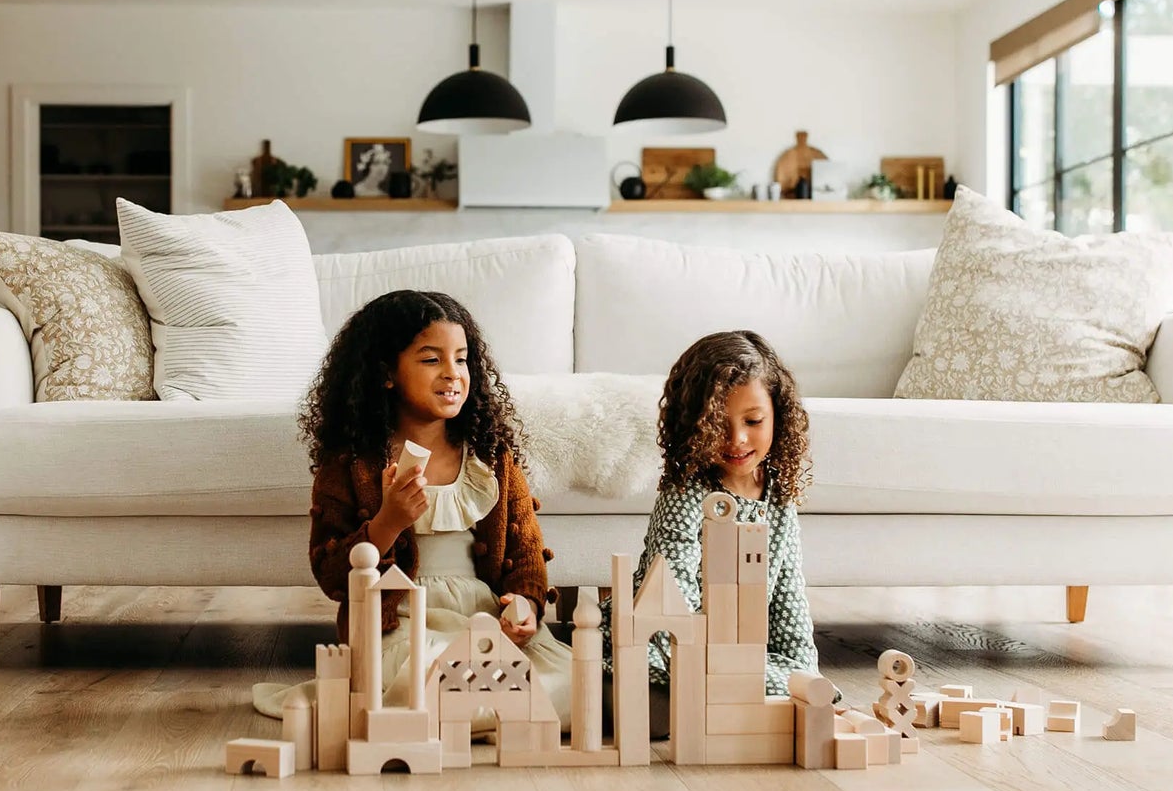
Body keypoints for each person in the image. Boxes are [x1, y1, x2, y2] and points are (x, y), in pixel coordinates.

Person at [254, 290, 571, 731]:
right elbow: (330, 572)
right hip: (400, 623)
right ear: (385, 373)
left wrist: (524, 604)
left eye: (461, 359)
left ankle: (476, 707)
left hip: (483, 619)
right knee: (433, 675)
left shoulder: (490, 456)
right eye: (431, 360)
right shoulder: (353, 462)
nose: (452, 374)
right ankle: (473, 707)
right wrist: (388, 522)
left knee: (577, 685)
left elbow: (527, 553)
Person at [604, 329, 831, 735]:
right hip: (669, 640)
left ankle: (731, 695)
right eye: (717, 425)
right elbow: (673, 596)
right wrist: (707, 664)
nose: (737, 439)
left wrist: (807, 675)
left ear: (778, 415)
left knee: (805, 687)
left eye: (753, 421)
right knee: (659, 698)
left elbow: (788, 598)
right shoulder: (687, 489)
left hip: (737, 650)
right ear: (693, 425)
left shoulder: (778, 494)